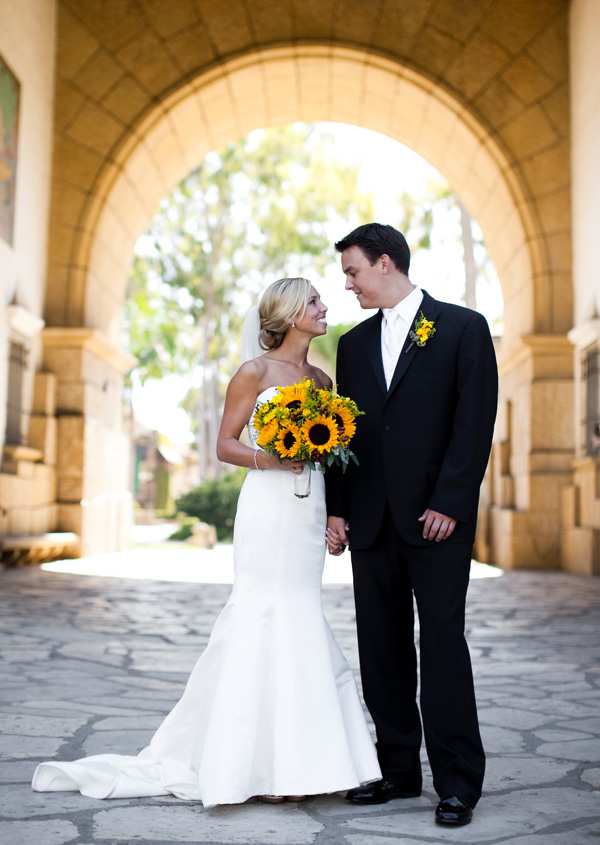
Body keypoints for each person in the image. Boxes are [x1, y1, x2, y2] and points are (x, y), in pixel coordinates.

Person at [31, 276, 381, 807]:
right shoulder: (253, 373)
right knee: (261, 610)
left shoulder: (323, 380)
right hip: (266, 506)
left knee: (301, 609)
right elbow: (225, 445)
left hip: (307, 510)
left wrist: (335, 513)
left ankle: (300, 760)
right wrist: (275, 459)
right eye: (313, 300)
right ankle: (243, 756)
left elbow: (330, 456)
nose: (324, 306)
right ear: (288, 315)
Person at [325, 223, 498, 827]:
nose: (347, 284)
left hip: (437, 522)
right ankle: (398, 770)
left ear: (386, 263)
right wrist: (338, 508)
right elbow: (346, 435)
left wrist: (450, 501)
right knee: (380, 646)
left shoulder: (462, 329)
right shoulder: (351, 344)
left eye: (353, 271)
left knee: (443, 644)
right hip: (372, 521)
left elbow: (474, 422)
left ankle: (457, 783)